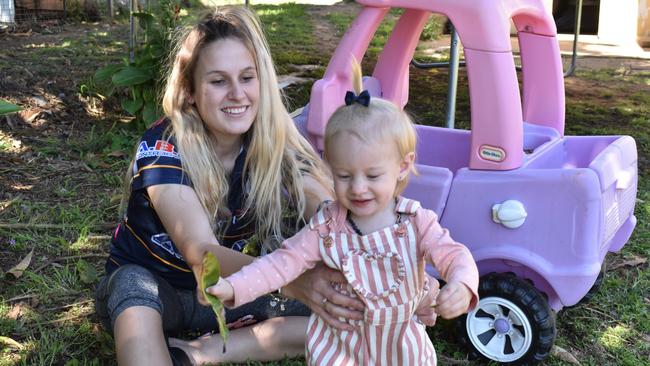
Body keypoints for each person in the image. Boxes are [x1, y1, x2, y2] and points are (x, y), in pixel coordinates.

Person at [94, 6, 367, 365]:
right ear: (191, 91)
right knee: (133, 285)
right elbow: (202, 255)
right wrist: (295, 282)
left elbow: (322, 203)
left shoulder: (273, 141)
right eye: (219, 81)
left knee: (349, 314)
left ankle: (196, 353)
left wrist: (357, 254)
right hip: (158, 294)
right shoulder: (163, 145)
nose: (237, 94)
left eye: (247, 78)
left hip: (227, 293)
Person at [207, 62, 480, 365]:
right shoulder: (325, 226)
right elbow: (279, 264)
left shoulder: (415, 221)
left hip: (401, 350)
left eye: (373, 176)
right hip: (340, 351)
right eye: (344, 176)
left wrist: (462, 284)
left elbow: (455, 255)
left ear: (402, 166)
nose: (358, 189)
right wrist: (234, 286)